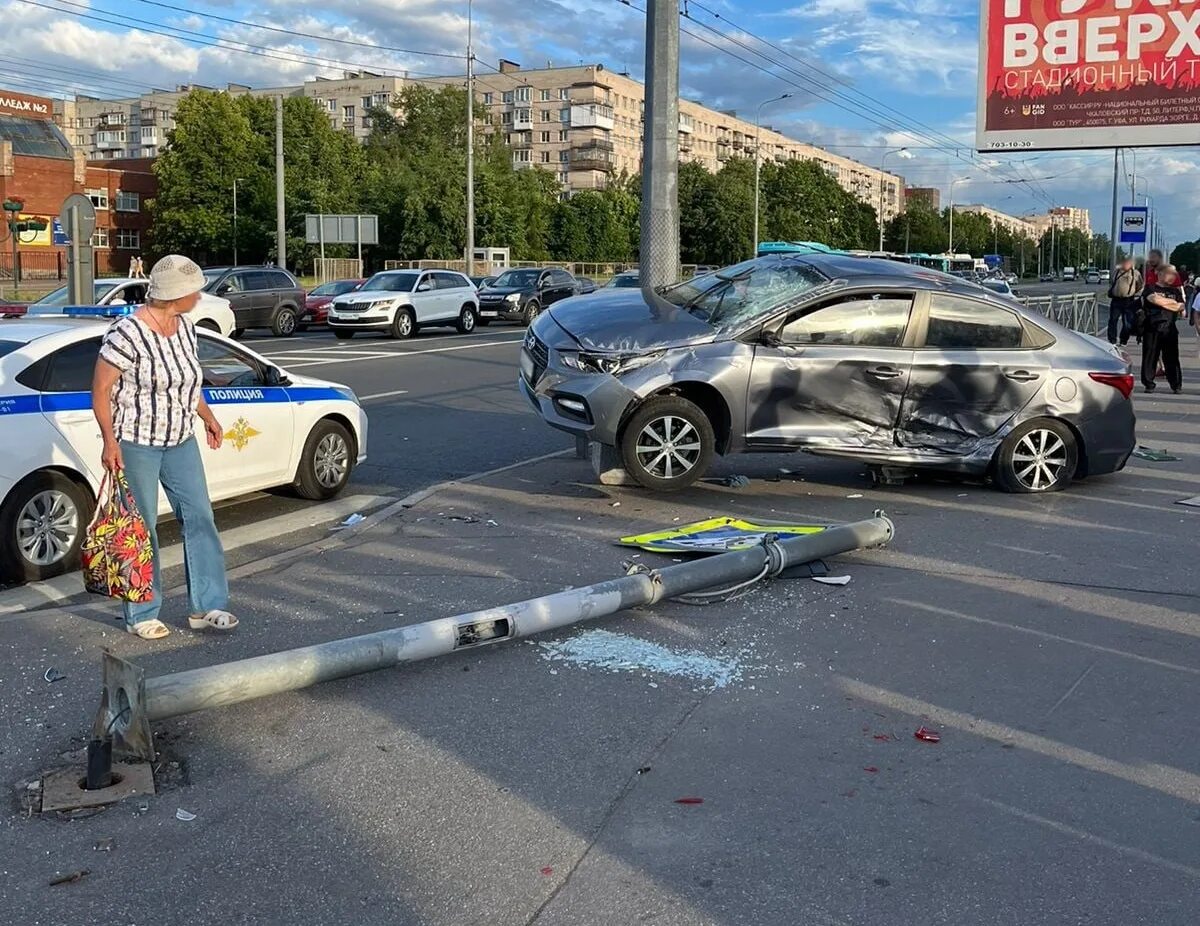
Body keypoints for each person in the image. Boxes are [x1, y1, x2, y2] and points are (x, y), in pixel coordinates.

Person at [91, 255, 239, 640]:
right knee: (142, 530)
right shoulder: (127, 333)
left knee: (200, 517)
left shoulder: (186, 327)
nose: (199, 296)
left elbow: (189, 383)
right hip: (136, 442)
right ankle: (142, 611)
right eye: (195, 291)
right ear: (176, 295)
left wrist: (207, 416)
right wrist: (110, 441)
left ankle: (206, 606)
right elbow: (101, 390)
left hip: (180, 440)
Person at [1139, 263, 1185, 394]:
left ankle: (1176, 385)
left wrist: (1164, 302)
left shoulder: (1175, 291)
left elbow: (1180, 307)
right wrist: (1171, 304)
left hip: (1170, 328)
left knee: (1172, 357)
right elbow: (1153, 299)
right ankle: (1149, 383)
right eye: (1170, 273)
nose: (1173, 276)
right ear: (1160, 274)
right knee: (1150, 357)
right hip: (1152, 328)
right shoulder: (1150, 288)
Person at [1106, 257, 1142, 345]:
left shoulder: (1135, 273)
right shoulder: (1117, 272)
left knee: (1127, 323)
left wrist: (1133, 292)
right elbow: (1112, 282)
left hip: (1128, 300)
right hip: (1116, 299)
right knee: (1113, 320)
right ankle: (1112, 340)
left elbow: (1140, 285)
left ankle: (1123, 340)